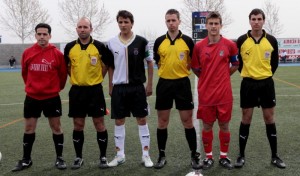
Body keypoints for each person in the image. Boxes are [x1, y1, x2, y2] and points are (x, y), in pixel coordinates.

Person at [12, 23, 68, 172]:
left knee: (56, 127)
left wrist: (54, 89)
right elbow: (25, 74)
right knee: (29, 128)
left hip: (51, 97)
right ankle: (26, 159)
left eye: (45, 34)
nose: (42, 37)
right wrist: (32, 87)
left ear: (50, 35)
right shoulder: (28, 53)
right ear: (36, 35)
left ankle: (59, 158)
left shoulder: (57, 54)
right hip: (32, 97)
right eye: (39, 34)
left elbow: (62, 76)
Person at [234, 8, 286, 169]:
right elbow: (239, 63)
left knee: (269, 119)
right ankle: (241, 156)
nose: (256, 22)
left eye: (259, 19)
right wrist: (249, 73)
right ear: (249, 21)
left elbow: (275, 63)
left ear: (263, 21)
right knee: (246, 118)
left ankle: (275, 156)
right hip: (248, 84)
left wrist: (265, 75)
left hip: (266, 84)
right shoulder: (241, 40)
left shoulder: (271, 39)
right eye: (253, 19)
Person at [153, 9, 202, 170]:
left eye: (174, 20)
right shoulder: (159, 41)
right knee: (162, 121)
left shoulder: (188, 41)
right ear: (165, 22)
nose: (171, 23)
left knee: (187, 121)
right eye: (168, 20)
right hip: (164, 84)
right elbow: (158, 62)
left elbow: (192, 62)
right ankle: (161, 155)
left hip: (182, 84)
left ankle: (194, 155)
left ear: (179, 21)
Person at [191, 11, 239, 170]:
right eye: (210, 23)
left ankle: (224, 157)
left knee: (224, 126)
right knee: (207, 126)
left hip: (224, 94)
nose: (213, 26)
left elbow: (235, 64)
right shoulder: (198, 46)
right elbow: (196, 68)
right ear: (206, 25)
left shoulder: (229, 45)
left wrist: (224, 75)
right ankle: (209, 157)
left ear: (220, 25)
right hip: (206, 95)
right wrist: (206, 79)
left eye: (216, 23)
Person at [106, 10, 154, 168]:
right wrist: (110, 84)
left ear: (132, 23)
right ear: (118, 23)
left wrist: (149, 84)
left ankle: (146, 155)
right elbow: (110, 65)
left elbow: (149, 62)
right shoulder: (111, 42)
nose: (123, 24)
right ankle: (120, 155)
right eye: (120, 22)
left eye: (126, 22)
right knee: (119, 121)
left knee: (141, 119)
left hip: (137, 88)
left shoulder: (141, 41)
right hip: (119, 88)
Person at [64, 17, 112, 169]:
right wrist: (77, 79)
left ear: (91, 28)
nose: (82, 29)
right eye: (80, 27)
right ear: (76, 29)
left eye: (85, 27)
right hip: (77, 91)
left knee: (99, 124)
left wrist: (98, 78)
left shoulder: (99, 46)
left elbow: (107, 65)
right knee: (78, 125)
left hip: (95, 91)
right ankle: (78, 157)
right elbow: (67, 67)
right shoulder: (70, 47)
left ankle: (103, 157)